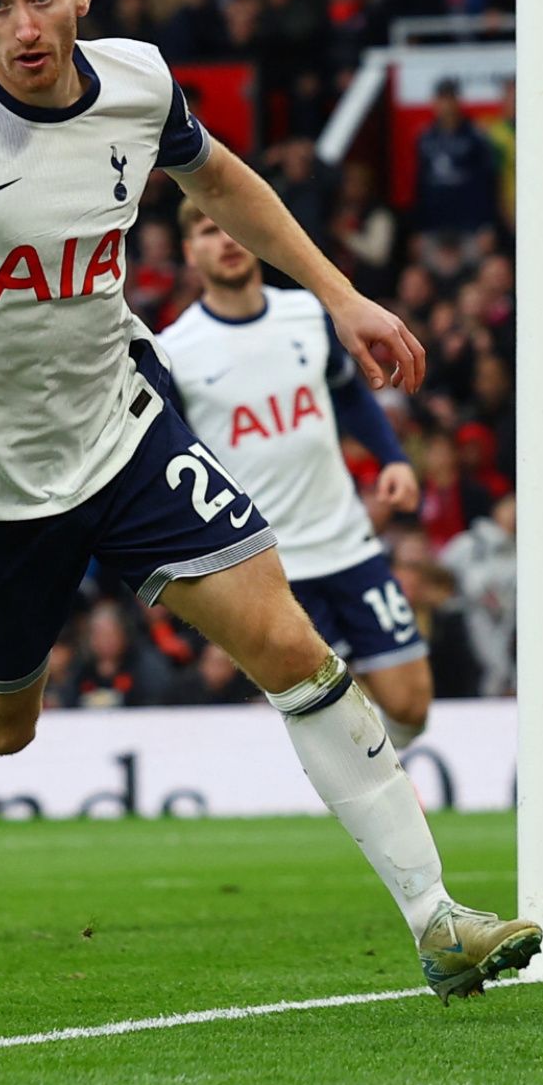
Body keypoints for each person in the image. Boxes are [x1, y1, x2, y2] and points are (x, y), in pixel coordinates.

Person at [0, 0, 538, 999]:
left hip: (124, 434)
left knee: (289, 645)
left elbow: (220, 182)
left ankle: (437, 919)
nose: (23, 26)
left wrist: (340, 293)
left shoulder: (139, 84)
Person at [153, 199, 430, 747]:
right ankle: (379, 795)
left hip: (349, 543)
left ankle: (381, 773)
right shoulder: (175, 350)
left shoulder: (307, 313)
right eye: (210, 230)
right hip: (272, 567)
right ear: (190, 252)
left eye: (233, 225)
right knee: (330, 714)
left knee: (410, 703)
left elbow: (349, 392)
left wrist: (393, 458)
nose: (227, 239)